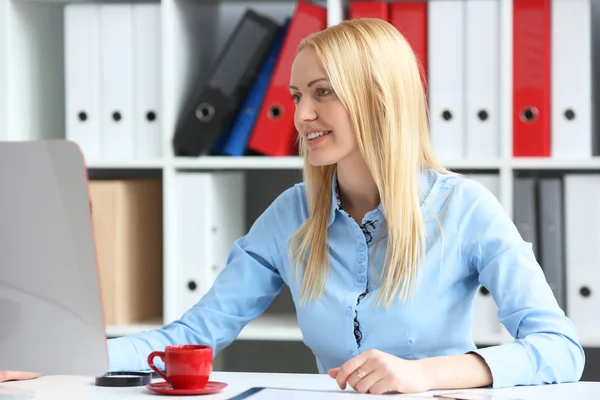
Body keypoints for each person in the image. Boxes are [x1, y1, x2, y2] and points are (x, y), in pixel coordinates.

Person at [1, 18, 584, 394]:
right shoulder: (291, 216)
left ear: (378, 98)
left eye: (323, 93)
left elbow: (560, 350)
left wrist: (427, 375)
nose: (301, 115)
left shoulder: (464, 209)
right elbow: (193, 333)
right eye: (297, 95)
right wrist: (60, 357)